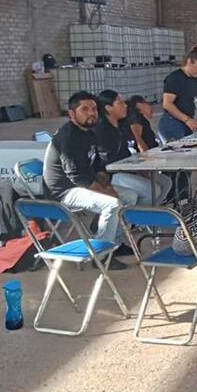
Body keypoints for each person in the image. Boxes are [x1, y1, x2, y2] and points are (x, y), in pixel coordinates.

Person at [42, 91, 137, 268]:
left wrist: (107, 184)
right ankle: (100, 256)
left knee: (129, 196)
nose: (91, 113)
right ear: (72, 114)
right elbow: (77, 176)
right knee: (112, 203)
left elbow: (96, 166)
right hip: (64, 191)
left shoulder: (89, 133)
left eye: (93, 108)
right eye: (84, 109)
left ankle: (114, 244)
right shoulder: (68, 137)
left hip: (81, 184)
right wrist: (107, 192)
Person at [93, 90, 171, 206]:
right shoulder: (101, 130)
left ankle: (146, 217)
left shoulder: (122, 125)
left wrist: (138, 169)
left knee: (165, 182)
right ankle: (134, 220)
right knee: (152, 190)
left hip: (126, 169)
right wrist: (133, 171)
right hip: (111, 175)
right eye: (120, 103)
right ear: (108, 108)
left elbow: (127, 151)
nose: (125, 105)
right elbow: (108, 161)